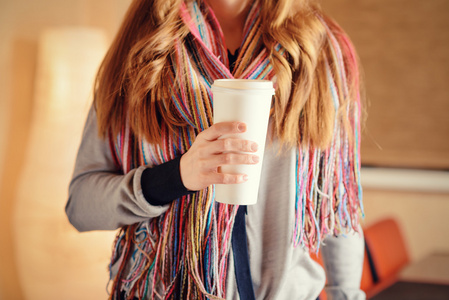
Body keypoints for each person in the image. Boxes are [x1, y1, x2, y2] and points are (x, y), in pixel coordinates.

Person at [66, 0, 366, 299]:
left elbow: (337, 201)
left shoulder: (321, 49)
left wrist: (347, 294)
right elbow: (81, 206)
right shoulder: (140, 50)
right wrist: (176, 177)